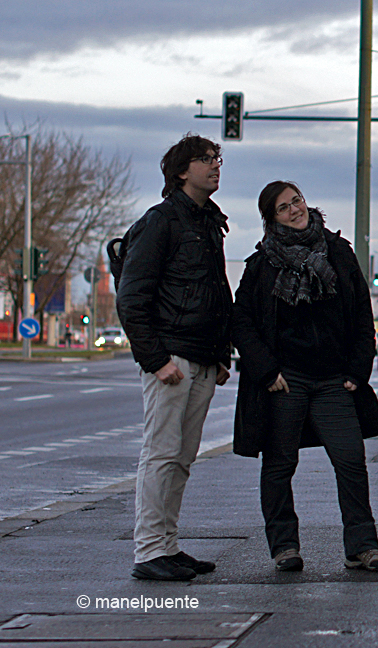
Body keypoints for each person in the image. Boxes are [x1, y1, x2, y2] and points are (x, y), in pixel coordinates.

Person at [231, 181, 378, 574]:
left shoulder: (337, 252)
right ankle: (284, 547)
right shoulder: (262, 264)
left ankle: (362, 547)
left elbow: (360, 315)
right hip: (286, 381)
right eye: (284, 208)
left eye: (297, 201)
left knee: (351, 460)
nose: (295, 210)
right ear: (271, 219)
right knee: (279, 464)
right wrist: (266, 371)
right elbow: (241, 321)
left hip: (334, 380)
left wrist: (358, 368)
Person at [117, 134, 232, 582]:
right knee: (161, 455)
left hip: (202, 359)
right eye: (206, 159)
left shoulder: (208, 222)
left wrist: (221, 353)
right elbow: (132, 297)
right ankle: (148, 551)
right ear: (182, 171)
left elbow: (214, 292)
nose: (215, 166)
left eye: (217, 159)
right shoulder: (160, 221)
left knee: (182, 458)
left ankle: (167, 545)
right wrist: (155, 359)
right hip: (172, 361)